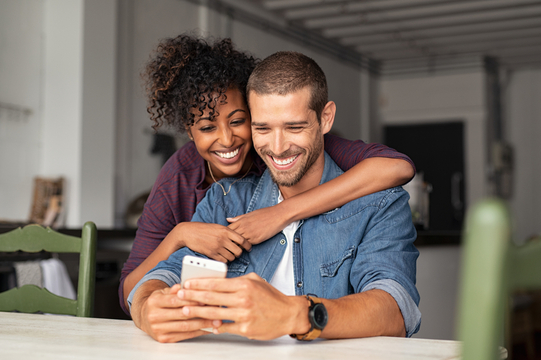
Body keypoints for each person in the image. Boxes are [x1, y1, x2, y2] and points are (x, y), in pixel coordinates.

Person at [128, 51, 420, 343]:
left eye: (294, 127)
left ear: (325, 118)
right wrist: (147, 309)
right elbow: (160, 276)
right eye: (263, 128)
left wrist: (295, 314)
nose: (278, 148)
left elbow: (395, 310)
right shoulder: (224, 200)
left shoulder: (380, 204)